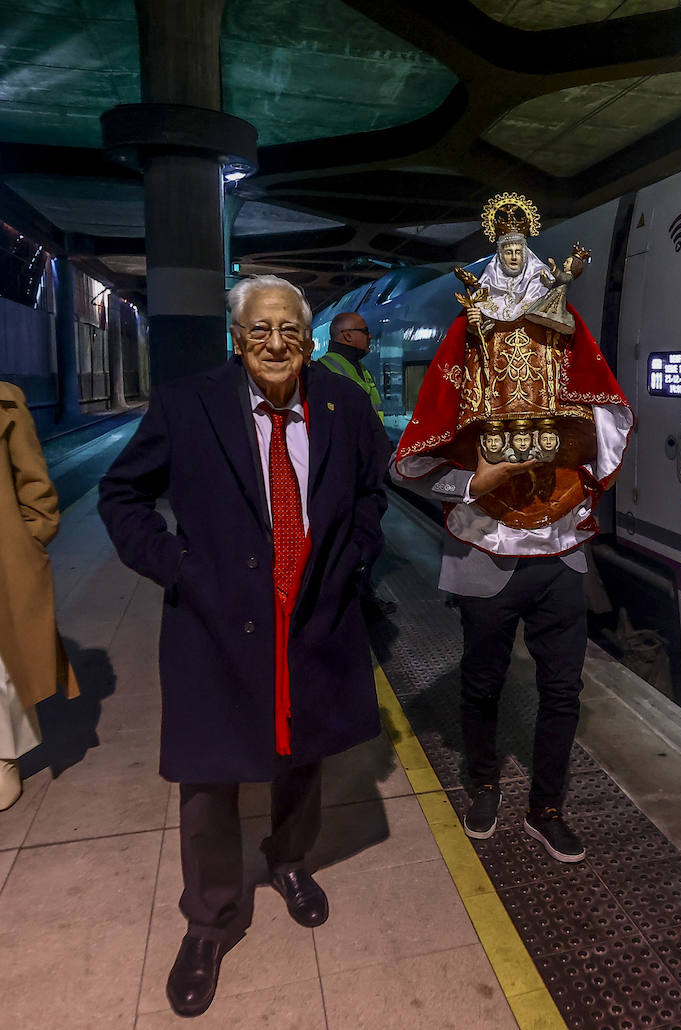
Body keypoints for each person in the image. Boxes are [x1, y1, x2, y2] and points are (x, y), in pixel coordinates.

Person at [98, 275, 386, 1017]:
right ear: (236, 336)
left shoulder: (344, 406)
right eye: (259, 330)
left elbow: (370, 493)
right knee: (209, 784)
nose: (276, 344)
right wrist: (178, 568)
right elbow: (121, 495)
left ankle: (289, 862)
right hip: (215, 630)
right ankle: (211, 920)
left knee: (302, 760)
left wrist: (353, 555)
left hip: (312, 623)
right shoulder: (186, 404)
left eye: (290, 329)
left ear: (309, 337)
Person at [392, 192, 632, 863]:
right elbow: (410, 462)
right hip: (486, 555)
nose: (514, 252)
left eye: (522, 244)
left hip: (559, 555)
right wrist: (473, 482)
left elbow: (605, 409)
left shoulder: (565, 334)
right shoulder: (465, 342)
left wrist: (574, 439)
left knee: (562, 689)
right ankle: (483, 783)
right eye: (505, 245)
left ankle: (548, 807)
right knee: (482, 682)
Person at [0, 382, 78, 811]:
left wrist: (25, 543)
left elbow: (36, 488)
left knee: (2, 663)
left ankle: (3, 755)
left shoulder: (6, 402)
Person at [316, 311, 396, 618]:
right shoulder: (326, 371)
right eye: (365, 331)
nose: (370, 337)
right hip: (345, 476)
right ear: (347, 336)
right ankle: (352, 603)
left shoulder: (359, 371)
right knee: (353, 541)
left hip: (365, 473)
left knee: (366, 538)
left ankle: (360, 596)